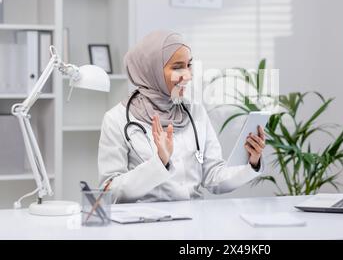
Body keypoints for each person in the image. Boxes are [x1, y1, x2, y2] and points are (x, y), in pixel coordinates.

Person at [98, 30, 266, 203]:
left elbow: (213, 176)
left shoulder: (195, 112)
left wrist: (252, 162)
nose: (188, 75)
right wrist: (159, 163)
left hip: (194, 221)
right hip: (146, 224)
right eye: (178, 67)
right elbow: (109, 191)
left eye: (189, 65)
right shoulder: (116, 119)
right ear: (151, 69)